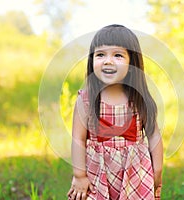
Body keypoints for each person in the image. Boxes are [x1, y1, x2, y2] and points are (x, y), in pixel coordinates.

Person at [67, 24, 163, 200]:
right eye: (100, 55)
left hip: (135, 173)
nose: (108, 61)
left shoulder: (139, 99)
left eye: (118, 55)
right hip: (97, 173)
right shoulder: (86, 100)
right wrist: (79, 175)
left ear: (132, 62)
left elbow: (154, 136)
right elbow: (78, 139)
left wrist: (157, 171)